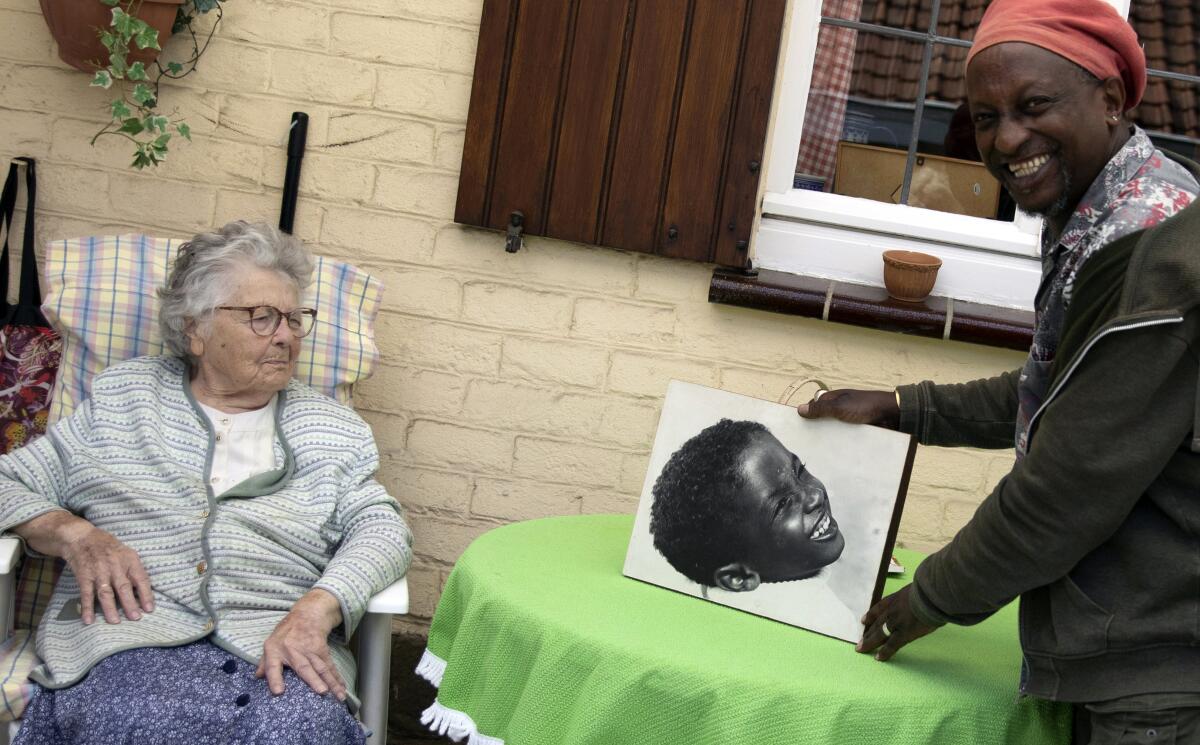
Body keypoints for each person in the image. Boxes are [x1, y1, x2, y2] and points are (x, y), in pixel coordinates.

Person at [799, 0, 1200, 741]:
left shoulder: (1152, 250)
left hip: (1160, 688)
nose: (1007, 138)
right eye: (985, 117)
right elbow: (1055, 397)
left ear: (1111, 99)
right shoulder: (1111, 212)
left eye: (1033, 105)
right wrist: (901, 406)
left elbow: (1066, 486)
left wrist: (927, 599)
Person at [0, 221, 412, 744]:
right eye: (262, 318)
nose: (285, 335)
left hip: (280, 651)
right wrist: (72, 534)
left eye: (293, 318)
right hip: (130, 645)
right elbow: (8, 482)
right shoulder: (126, 401)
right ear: (195, 329)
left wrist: (317, 608)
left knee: (303, 730)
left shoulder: (332, 430)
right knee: (134, 722)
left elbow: (383, 529)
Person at [649, 419, 844, 593]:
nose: (815, 495)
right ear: (738, 578)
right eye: (782, 504)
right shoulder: (821, 617)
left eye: (800, 471)